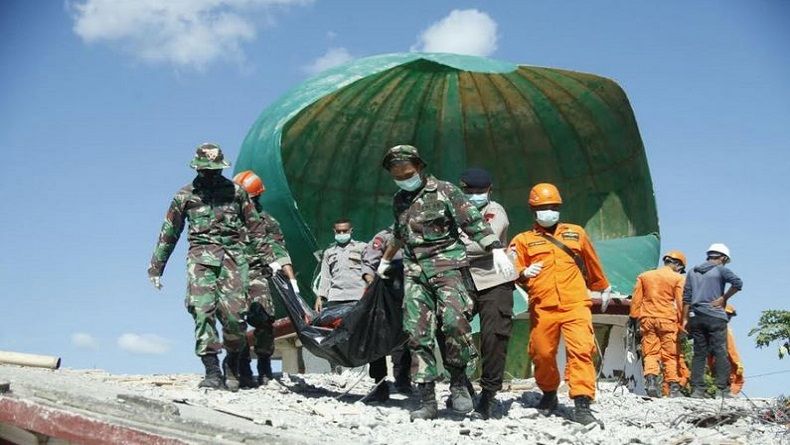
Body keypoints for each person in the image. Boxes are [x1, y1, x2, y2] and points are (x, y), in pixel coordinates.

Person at [377, 145, 514, 421]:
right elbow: (399, 233)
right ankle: (427, 398)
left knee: (454, 322)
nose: (403, 178)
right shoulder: (399, 200)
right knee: (416, 333)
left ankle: (459, 380)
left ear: (419, 167)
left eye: (407, 173)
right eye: (397, 174)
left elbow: (471, 220)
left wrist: (495, 247)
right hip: (416, 271)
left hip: (448, 267)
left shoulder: (446, 191)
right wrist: (385, 259)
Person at [148, 143, 274, 391]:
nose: (210, 174)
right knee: (202, 311)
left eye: (214, 170)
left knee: (234, 318)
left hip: (233, 260)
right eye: (206, 170)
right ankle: (212, 371)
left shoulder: (237, 193)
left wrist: (268, 258)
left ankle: (233, 362)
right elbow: (169, 232)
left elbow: (255, 227)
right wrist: (157, 267)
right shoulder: (184, 196)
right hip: (201, 259)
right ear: (198, 168)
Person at [510, 183, 611, 426]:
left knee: (582, 351)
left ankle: (582, 402)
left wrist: (602, 286)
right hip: (543, 305)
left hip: (576, 302)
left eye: (553, 206)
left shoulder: (576, 233)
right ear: (533, 210)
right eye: (543, 207)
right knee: (542, 352)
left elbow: (592, 262)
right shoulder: (523, 240)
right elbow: (510, 270)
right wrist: (523, 272)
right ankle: (548, 392)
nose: (549, 211)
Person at [457, 168, 516, 419]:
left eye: (480, 192)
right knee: (448, 328)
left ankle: (489, 395)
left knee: (494, 337)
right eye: (470, 192)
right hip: (461, 278)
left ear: (489, 190)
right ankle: (460, 383)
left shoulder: (495, 210)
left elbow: (485, 241)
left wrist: (452, 247)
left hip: (494, 279)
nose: (475, 196)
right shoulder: (453, 212)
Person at [232, 170, 299, 387]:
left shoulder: (267, 221)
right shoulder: (227, 219)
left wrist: (291, 279)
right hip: (232, 274)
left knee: (264, 318)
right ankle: (241, 366)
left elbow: (279, 249)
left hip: (257, 273)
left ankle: (264, 366)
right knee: (234, 320)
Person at [316, 218, 391, 401]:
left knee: (370, 339)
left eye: (345, 231)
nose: (342, 234)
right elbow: (325, 276)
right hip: (336, 301)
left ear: (351, 230)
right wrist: (320, 296)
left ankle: (380, 383)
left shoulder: (363, 248)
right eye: (338, 231)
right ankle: (337, 372)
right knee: (333, 338)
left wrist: (371, 292)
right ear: (334, 231)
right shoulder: (329, 252)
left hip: (358, 298)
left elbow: (371, 267)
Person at [683, 243, 743, 398]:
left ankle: (697, 390)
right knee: (720, 352)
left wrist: (685, 319)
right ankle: (722, 390)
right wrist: (724, 298)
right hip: (715, 316)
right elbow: (738, 283)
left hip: (695, 316)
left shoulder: (692, 272)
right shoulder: (720, 270)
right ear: (723, 257)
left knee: (699, 354)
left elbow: (686, 298)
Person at [361, 226, 413, 395]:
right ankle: (379, 382)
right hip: (385, 294)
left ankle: (403, 379)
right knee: (378, 336)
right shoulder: (383, 237)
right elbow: (369, 265)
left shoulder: (420, 232)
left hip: (411, 293)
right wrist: (371, 283)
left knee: (406, 338)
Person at [629, 250, 686, 398]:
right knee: (670, 354)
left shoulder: (645, 276)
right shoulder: (678, 278)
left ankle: (651, 382)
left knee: (651, 352)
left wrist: (634, 318)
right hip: (667, 320)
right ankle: (673, 387)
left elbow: (636, 300)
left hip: (647, 319)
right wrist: (683, 324)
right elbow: (681, 303)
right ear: (678, 265)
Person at [707, 305, 745, 395]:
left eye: (729, 316)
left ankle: (724, 394)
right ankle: (727, 395)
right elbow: (731, 347)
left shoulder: (710, 327)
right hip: (725, 359)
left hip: (715, 360)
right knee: (737, 379)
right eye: (728, 315)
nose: (729, 317)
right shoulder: (724, 329)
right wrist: (737, 363)